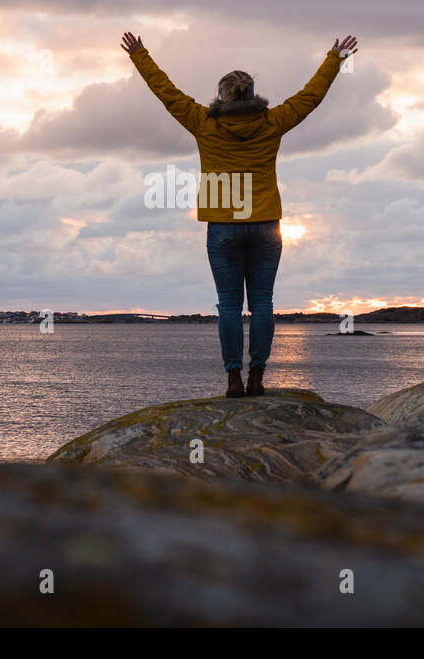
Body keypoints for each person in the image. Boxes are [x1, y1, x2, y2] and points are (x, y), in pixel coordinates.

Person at [121, 31, 358, 396]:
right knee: (262, 303)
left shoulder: (203, 122)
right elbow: (311, 97)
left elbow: (166, 92)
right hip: (265, 224)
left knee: (229, 306)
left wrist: (140, 55)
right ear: (252, 96)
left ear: (220, 97)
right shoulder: (273, 121)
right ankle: (258, 377)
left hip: (223, 226)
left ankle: (233, 377)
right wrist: (335, 58)